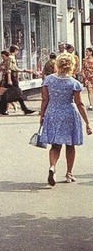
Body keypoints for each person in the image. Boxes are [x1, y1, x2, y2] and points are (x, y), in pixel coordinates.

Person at [39, 53, 92, 185]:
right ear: (71, 66)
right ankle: (69, 173)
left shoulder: (49, 80)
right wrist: (87, 122)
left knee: (55, 145)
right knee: (70, 145)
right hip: (69, 113)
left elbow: (45, 99)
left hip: (53, 113)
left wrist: (42, 115)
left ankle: (52, 167)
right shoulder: (74, 83)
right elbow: (79, 103)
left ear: (58, 64)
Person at [0, 45, 37, 115]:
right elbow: (9, 69)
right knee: (15, 93)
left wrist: (26, 71)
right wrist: (9, 79)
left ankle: (24, 109)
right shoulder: (10, 58)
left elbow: (15, 68)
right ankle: (24, 109)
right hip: (11, 77)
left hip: (12, 76)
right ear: (15, 50)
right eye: (17, 51)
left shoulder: (12, 58)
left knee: (13, 94)